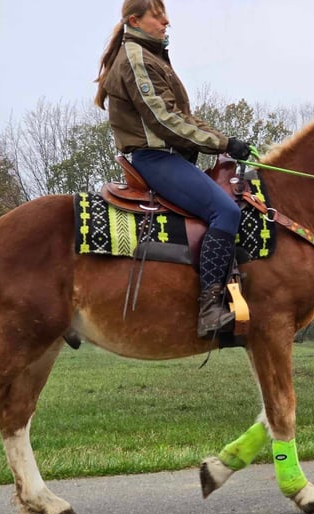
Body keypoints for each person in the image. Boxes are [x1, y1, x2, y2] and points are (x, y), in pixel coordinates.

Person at [95, 0, 251, 338]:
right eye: (157, 15)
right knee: (225, 212)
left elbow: (184, 117)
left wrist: (225, 140)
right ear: (135, 20)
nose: (166, 21)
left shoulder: (152, 56)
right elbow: (164, 119)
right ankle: (209, 309)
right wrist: (222, 144)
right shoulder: (136, 59)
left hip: (172, 158)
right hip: (156, 159)